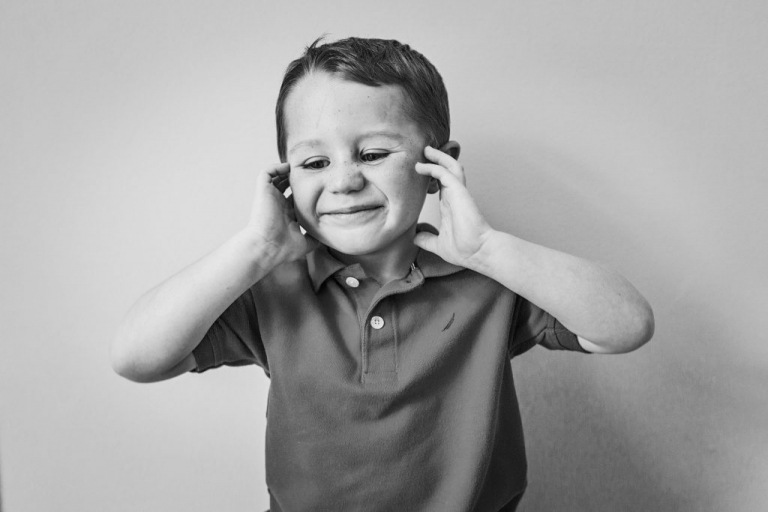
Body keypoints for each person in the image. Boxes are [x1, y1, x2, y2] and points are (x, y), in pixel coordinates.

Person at [111, 37, 654, 511]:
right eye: (314, 163)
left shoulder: (494, 282)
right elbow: (136, 358)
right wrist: (255, 249)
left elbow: (626, 325)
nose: (344, 181)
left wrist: (488, 250)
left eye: (371, 153)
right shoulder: (271, 290)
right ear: (285, 181)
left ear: (439, 165)